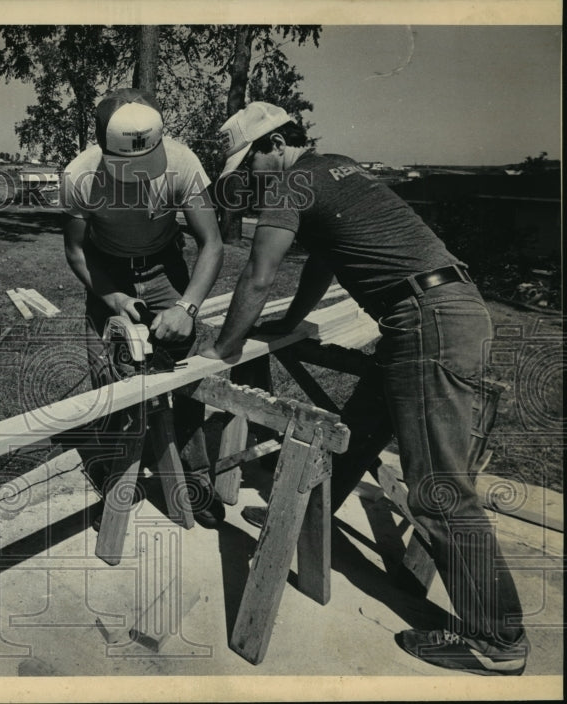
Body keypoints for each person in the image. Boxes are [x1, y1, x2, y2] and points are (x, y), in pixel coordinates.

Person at [199, 102, 529, 675]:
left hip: (425, 320)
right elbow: (321, 266)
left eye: (246, 165)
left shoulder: (289, 180)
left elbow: (258, 274)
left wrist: (223, 352)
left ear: (270, 146)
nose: (248, 180)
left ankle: (497, 639)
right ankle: (304, 524)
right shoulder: (335, 167)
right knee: (362, 425)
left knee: (437, 491)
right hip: (444, 307)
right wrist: (288, 322)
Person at [61, 87, 225, 528]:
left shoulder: (182, 162)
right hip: (107, 270)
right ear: (103, 147)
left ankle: (194, 481)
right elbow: (77, 251)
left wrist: (187, 307)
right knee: (110, 379)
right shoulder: (79, 175)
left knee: (186, 372)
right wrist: (113, 297)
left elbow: (212, 243)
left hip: (163, 268)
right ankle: (116, 483)